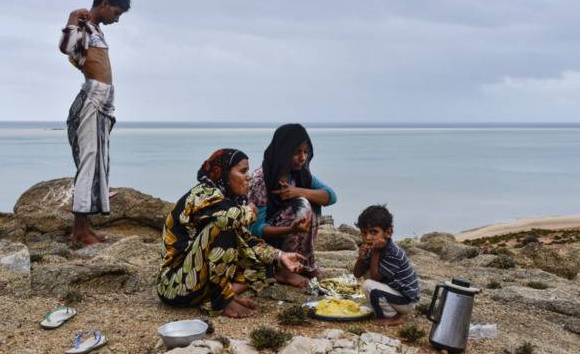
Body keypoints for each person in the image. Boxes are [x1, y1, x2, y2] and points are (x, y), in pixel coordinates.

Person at [157, 149, 305, 318]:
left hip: (199, 282)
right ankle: (220, 302)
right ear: (224, 173)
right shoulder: (203, 194)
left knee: (266, 261)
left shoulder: (227, 200)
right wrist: (249, 211)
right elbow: (227, 220)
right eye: (243, 171)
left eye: (248, 171)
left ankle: (219, 295)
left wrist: (280, 256)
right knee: (224, 228)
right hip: (175, 287)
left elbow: (247, 239)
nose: (248, 176)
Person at [59, 0, 131, 246]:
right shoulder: (83, 24)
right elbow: (67, 48)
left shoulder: (95, 29)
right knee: (90, 161)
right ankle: (80, 231)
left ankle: (85, 229)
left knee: (97, 161)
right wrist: (71, 19)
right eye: (116, 12)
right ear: (104, 3)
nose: (117, 18)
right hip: (92, 98)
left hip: (102, 101)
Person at [249, 123, 337, 287]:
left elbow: (331, 196)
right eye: (297, 152)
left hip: (291, 232)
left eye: (305, 151)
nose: (303, 157)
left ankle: (303, 261)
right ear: (283, 152)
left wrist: (299, 191)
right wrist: (291, 229)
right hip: (265, 246)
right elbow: (256, 228)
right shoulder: (261, 179)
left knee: (309, 201)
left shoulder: (299, 174)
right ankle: (283, 271)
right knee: (302, 205)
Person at [353, 205, 420, 326]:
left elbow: (375, 279)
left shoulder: (393, 252)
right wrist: (361, 258)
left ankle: (393, 317)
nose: (368, 237)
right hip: (395, 294)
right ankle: (387, 309)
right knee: (366, 276)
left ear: (388, 233)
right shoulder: (373, 247)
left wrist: (375, 253)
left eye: (374, 232)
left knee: (369, 285)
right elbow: (357, 274)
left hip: (406, 301)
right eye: (364, 233)